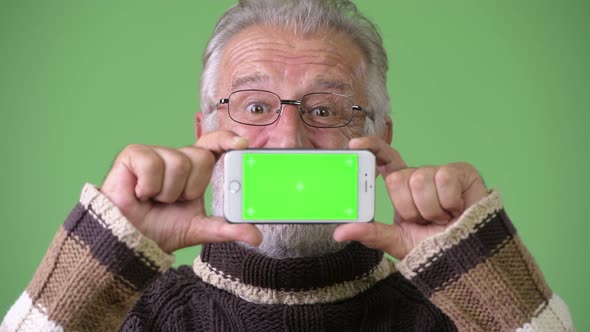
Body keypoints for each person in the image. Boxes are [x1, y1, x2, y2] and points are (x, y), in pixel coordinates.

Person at [1, 0, 575, 331]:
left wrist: (487, 276)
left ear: (378, 139)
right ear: (205, 135)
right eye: (255, 107)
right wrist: (103, 256)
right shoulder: (124, 313)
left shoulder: (462, 310)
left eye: (325, 109)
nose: (290, 137)